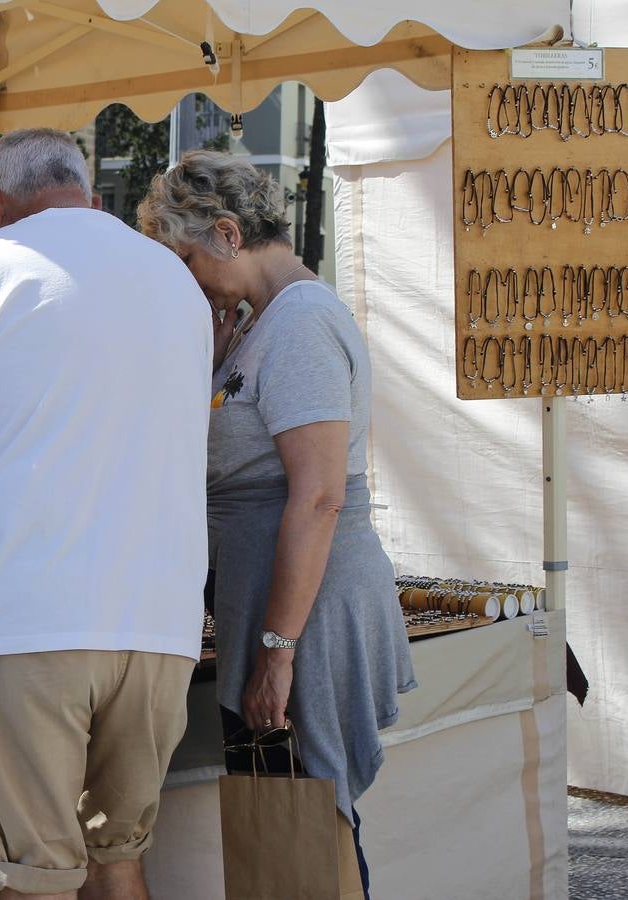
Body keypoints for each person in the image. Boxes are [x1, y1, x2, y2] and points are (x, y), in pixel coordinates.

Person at [0, 128, 212, 900]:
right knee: (120, 859)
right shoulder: (174, 277)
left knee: (33, 880)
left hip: (28, 617)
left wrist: (1, 513)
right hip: (159, 623)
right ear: (89, 195)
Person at [137, 151, 416, 896]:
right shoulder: (265, 323)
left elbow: (319, 495)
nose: (188, 277)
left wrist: (276, 652)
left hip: (309, 604)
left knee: (310, 806)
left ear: (228, 234)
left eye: (189, 257)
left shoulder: (299, 324)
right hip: (280, 595)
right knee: (291, 799)